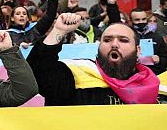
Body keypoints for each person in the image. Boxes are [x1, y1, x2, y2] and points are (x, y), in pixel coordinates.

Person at [27, 13, 167, 105]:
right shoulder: (77, 74)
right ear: (99, 46)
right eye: (107, 40)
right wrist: (58, 31)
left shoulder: (155, 84)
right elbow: (37, 74)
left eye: (123, 40)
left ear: (138, 51)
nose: (114, 44)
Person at [130, 8, 167, 74]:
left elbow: (165, 57)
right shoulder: (128, 37)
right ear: (131, 21)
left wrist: (159, 60)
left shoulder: (157, 37)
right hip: (133, 76)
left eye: (143, 19)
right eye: (137, 20)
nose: (141, 22)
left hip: (154, 75)